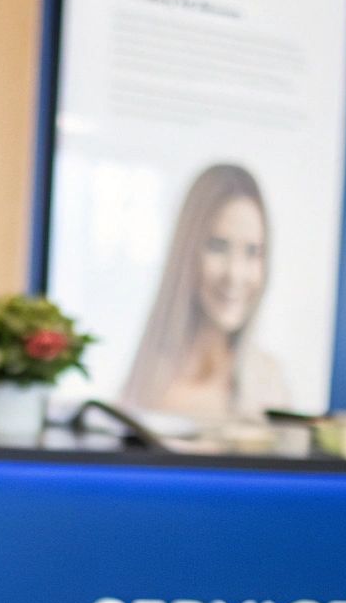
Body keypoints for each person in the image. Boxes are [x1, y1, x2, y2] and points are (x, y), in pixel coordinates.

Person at [121, 163, 288, 418]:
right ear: (187, 250)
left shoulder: (269, 381)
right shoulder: (144, 384)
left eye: (253, 251)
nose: (235, 274)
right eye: (218, 246)